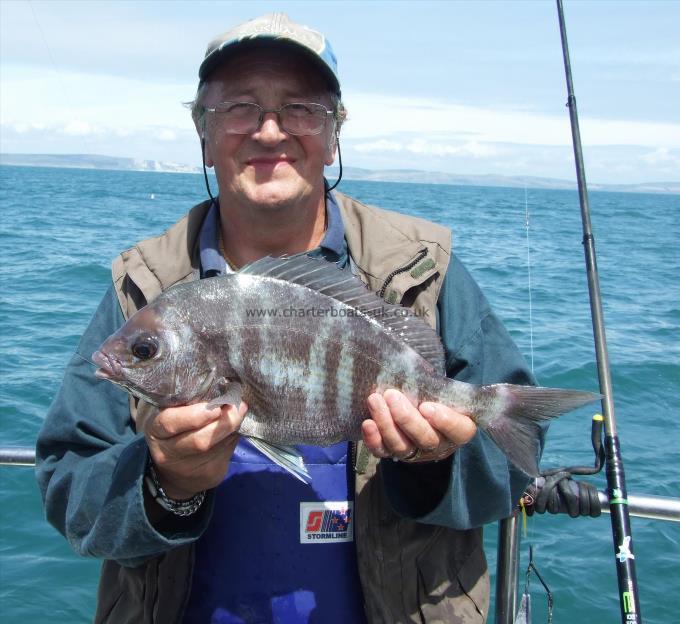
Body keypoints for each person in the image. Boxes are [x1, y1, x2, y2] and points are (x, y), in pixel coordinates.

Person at [36, 13, 537, 624]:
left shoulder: (423, 272)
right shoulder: (143, 288)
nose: (269, 131)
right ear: (202, 132)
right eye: (239, 108)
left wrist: (434, 468)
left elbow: (514, 462)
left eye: (300, 108)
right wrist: (166, 483)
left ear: (333, 135)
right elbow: (70, 493)